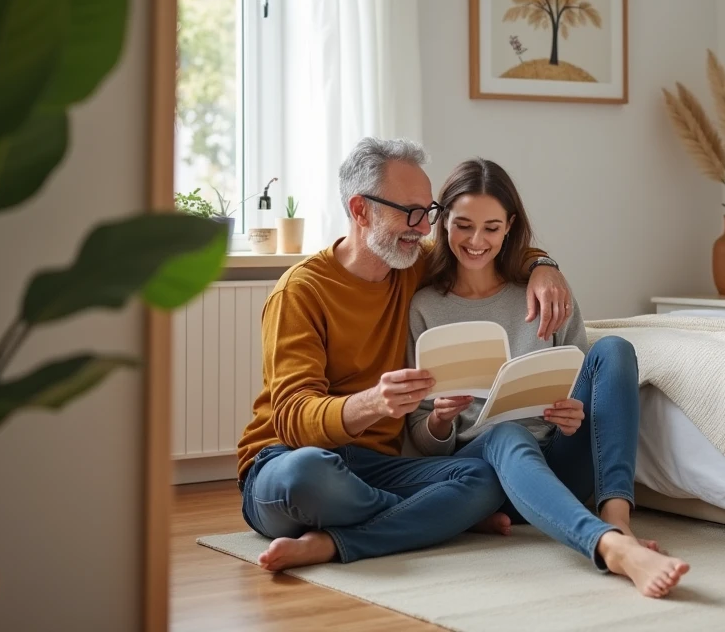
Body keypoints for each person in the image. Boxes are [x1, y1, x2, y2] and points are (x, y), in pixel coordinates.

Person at [235, 138, 575, 572]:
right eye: (409, 212)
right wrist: (374, 403)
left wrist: (544, 266)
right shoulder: (301, 292)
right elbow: (292, 417)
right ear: (360, 210)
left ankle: (351, 537)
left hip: (377, 467)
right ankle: (434, 517)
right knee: (308, 478)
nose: (423, 226)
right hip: (289, 459)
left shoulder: (412, 260)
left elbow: (485, 243)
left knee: (484, 478)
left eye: (429, 212)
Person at [405, 158, 689, 598]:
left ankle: (616, 518)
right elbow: (419, 439)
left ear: (509, 226)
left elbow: (575, 381)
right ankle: (610, 549)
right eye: (463, 225)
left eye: (492, 228)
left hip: (556, 461)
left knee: (614, 349)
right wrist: (440, 420)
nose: (476, 241)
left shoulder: (544, 292)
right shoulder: (424, 307)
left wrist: (572, 415)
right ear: (442, 223)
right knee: (506, 436)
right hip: (482, 476)